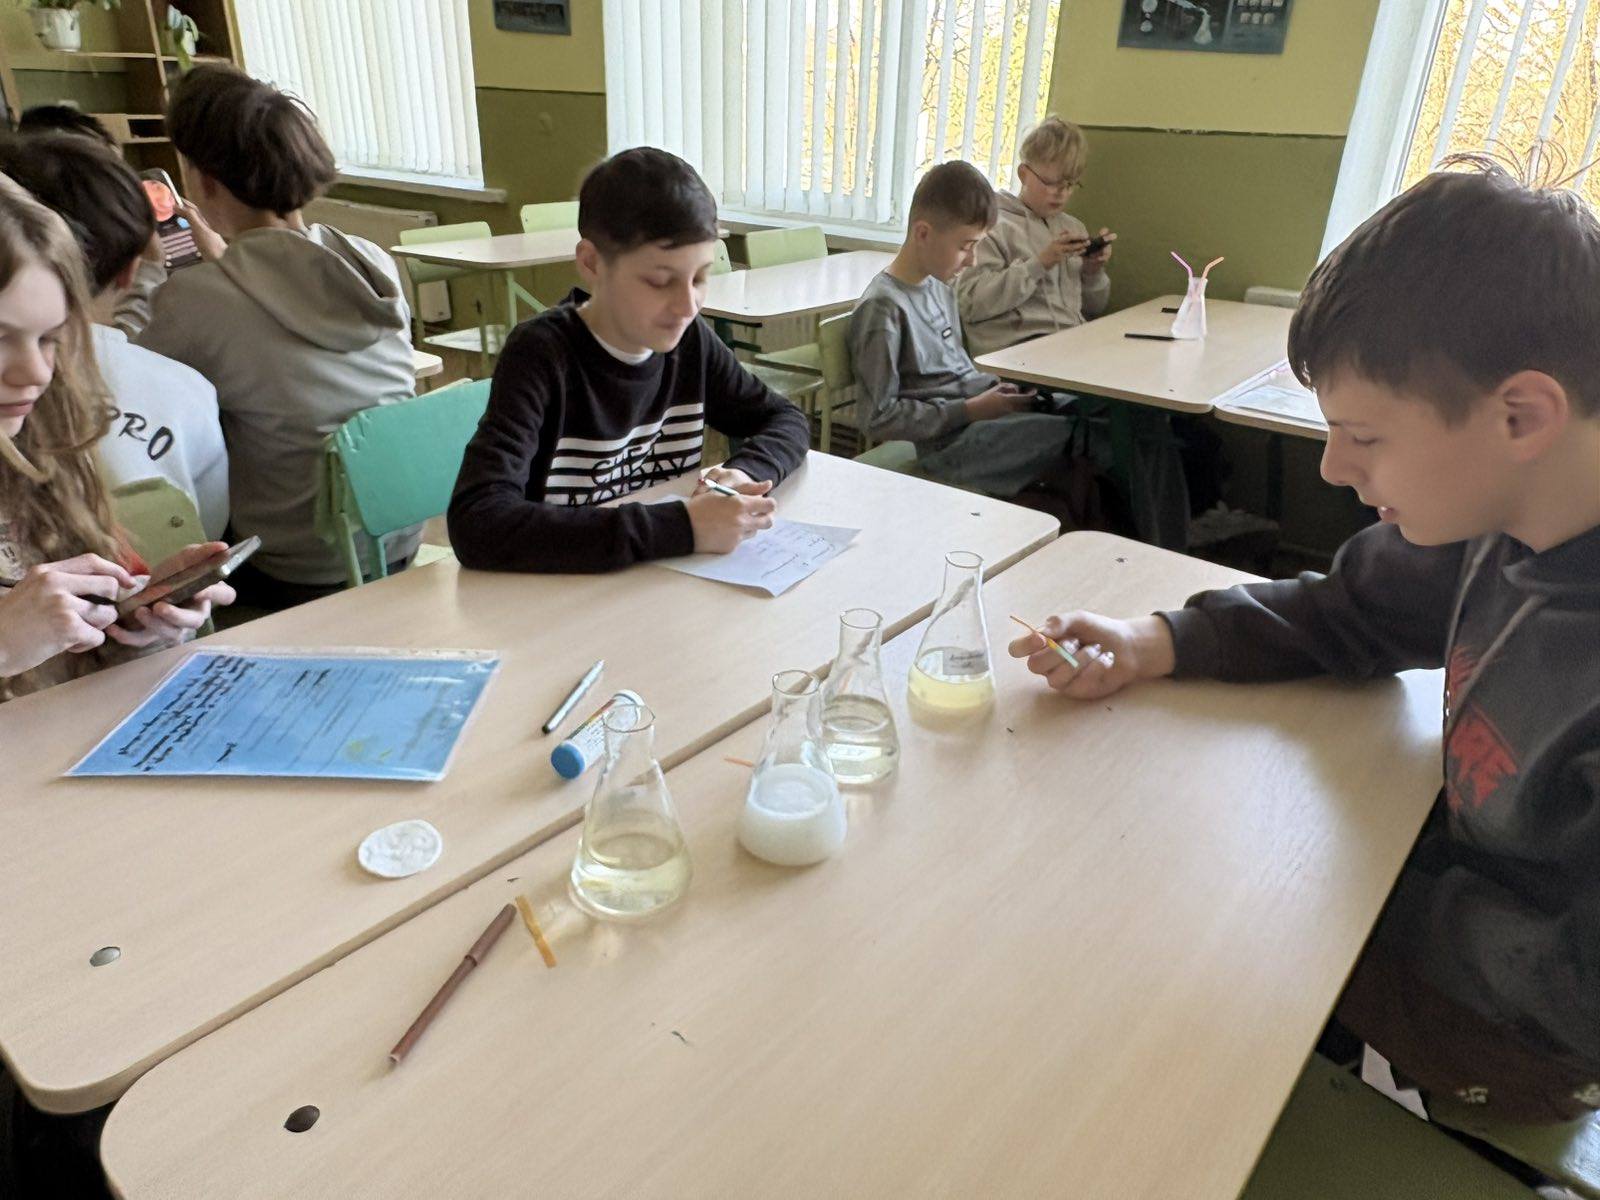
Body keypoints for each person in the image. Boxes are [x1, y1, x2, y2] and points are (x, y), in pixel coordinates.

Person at [1010, 162, 1600, 1128]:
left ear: (1521, 416)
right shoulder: (1506, 514)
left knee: (1138, 961)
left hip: (1510, 1033)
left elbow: (1574, 988)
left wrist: (1352, 893)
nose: (1332, 468)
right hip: (1429, 891)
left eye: (1364, 436)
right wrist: (1154, 639)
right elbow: (1346, 609)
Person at [448, 147, 810, 572]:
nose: (687, 306)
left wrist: (745, 471)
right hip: (558, 593)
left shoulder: (690, 341)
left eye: (699, 277)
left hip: (651, 581)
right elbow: (478, 521)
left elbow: (785, 419)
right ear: (592, 263)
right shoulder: (541, 355)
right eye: (659, 281)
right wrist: (682, 527)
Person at [135, 65, 417, 608]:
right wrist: (225, 261)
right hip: (395, 538)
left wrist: (149, 270)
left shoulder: (199, 298)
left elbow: (129, 380)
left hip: (293, 568)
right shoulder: (368, 260)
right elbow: (281, 306)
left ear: (202, 181)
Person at [0, 176, 233, 702]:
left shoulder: (45, 450)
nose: (35, 372)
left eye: (49, 339)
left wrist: (133, 626)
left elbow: (77, 659)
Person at [0, 132, 229, 540]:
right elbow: (209, 524)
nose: (40, 373)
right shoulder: (185, 386)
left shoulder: (53, 447)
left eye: (51, 337)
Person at [848, 160, 1073, 506]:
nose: (972, 261)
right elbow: (878, 417)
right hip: (951, 446)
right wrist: (970, 410)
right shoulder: (883, 309)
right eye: (966, 246)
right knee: (1084, 435)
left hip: (981, 420)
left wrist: (998, 392)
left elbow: (956, 374)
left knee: (1091, 411)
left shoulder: (940, 288)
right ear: (923, 233)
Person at [956, 115, 1114, 356]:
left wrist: (1093, 272)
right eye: (1050, 183)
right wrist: (1039, 264)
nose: (1061, 193)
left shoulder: (1073, 228)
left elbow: (1094, 308)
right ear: (1023, 174)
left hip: (1070, 345)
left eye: (1070, 184)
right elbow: (970, 304)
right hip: (1016, 353)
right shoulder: (992, 227)